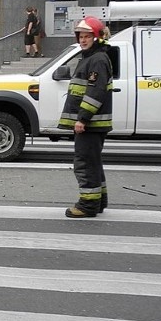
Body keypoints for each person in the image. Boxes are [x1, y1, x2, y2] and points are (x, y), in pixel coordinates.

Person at [58, 16, 113, 218]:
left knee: (85, 163)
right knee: (93, 162)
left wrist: (82, 119)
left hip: (91, 124)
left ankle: (88, 205)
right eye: (80, 36)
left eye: (87, 36)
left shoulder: (97, 59)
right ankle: (99, 202)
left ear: (96, 37)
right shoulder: (92, 57)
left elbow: (95, 92)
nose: (82, 40)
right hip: (93, 124)